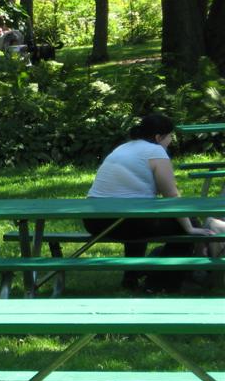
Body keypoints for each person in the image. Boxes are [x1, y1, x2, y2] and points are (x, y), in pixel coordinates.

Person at [83, 113, 213, 292]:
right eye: (170, 137)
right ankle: (161, 283)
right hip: (126, 222)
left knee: (139, 218)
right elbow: (171, 195)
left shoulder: (123, 148)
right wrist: (190, 228)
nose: (170, 142)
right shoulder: (156, 151)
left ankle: (131, 279)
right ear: (159, 137)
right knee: (185, 224)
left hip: (94, 221)